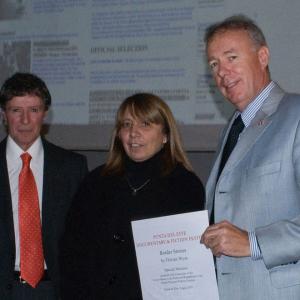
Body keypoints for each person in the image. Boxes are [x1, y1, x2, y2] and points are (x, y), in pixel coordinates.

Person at [59, 93, 205, 299]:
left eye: (145, 124)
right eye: (126, 125)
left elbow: (188, 262)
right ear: (118, 134)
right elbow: (71, 251)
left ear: (165, 135)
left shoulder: (185, 186)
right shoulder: (96, 181)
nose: (134, 133)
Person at [200, 14, 300, 300]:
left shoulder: (296, 115)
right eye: (214, 64)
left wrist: (253, 243)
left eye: (231, 57)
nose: (222, 72)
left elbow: (245, 240)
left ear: (263, 56)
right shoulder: (232, 128)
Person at [0, 72, 88, 299]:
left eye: (34, 110)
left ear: (45, 115)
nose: (25, 120)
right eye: (16, 110)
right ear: (3, 114)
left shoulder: (72, 167)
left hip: (54, 290)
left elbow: (83, 239)